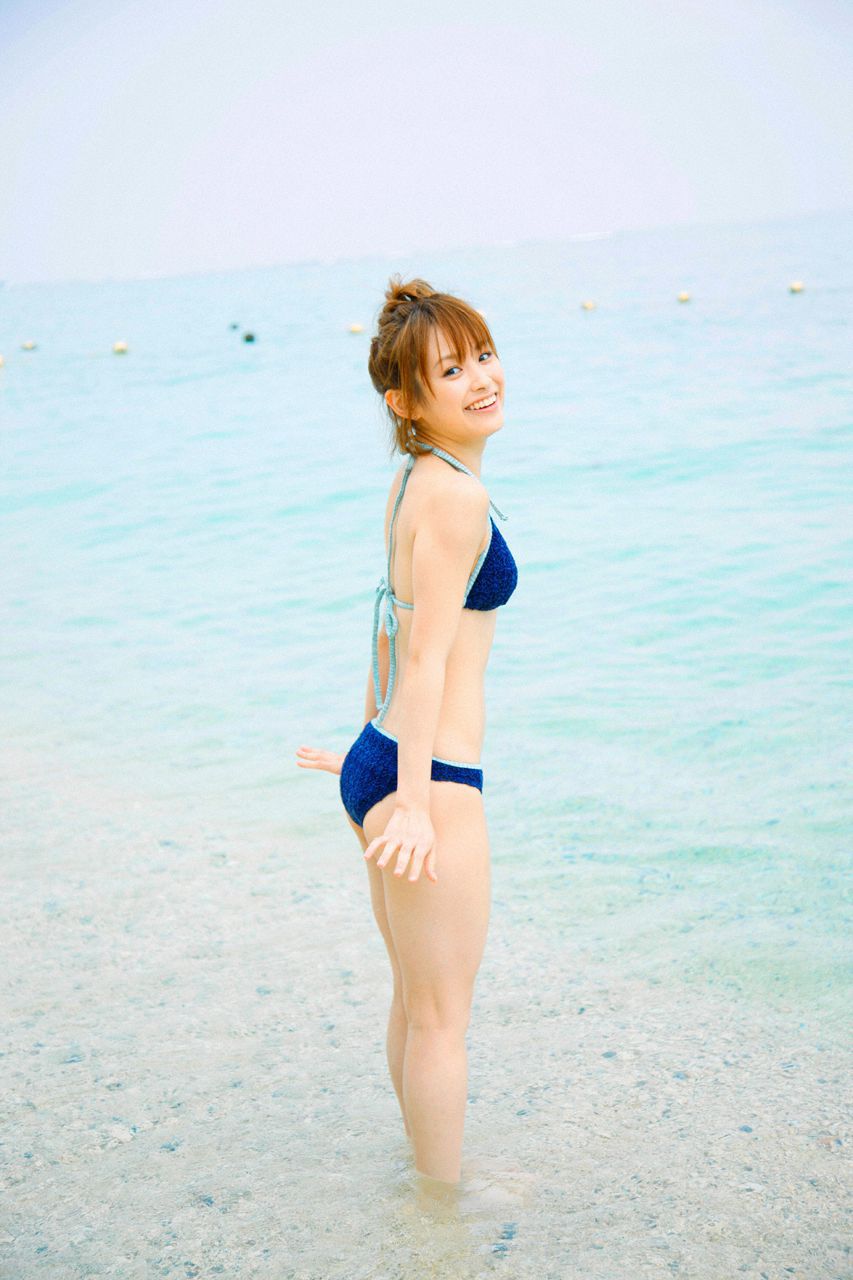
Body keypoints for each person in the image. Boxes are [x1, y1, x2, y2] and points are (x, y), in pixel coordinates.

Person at [295, 275, 518, 1188]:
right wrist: (416, 805)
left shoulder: (414, 481)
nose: (481, 380)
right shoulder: (456, 498)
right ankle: (442, 1211)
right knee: (440, 1019)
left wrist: (364, 748)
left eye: (482, 356)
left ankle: (422, 1175)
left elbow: (387, 619)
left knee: (414, 1000)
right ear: (406, 402)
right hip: (429, 779)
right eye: (450, 370)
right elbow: (423, 661)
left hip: (381, 763)